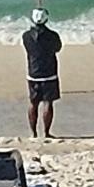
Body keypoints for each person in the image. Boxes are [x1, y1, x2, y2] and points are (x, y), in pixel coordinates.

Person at [21, 9, 63, 138]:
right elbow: (58, 48)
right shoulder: (52, 35)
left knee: (33, 103)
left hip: (33, 73)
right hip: (49, 72)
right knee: (47, 103)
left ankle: (33, 133)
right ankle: (46, 133)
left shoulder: (26, 36)